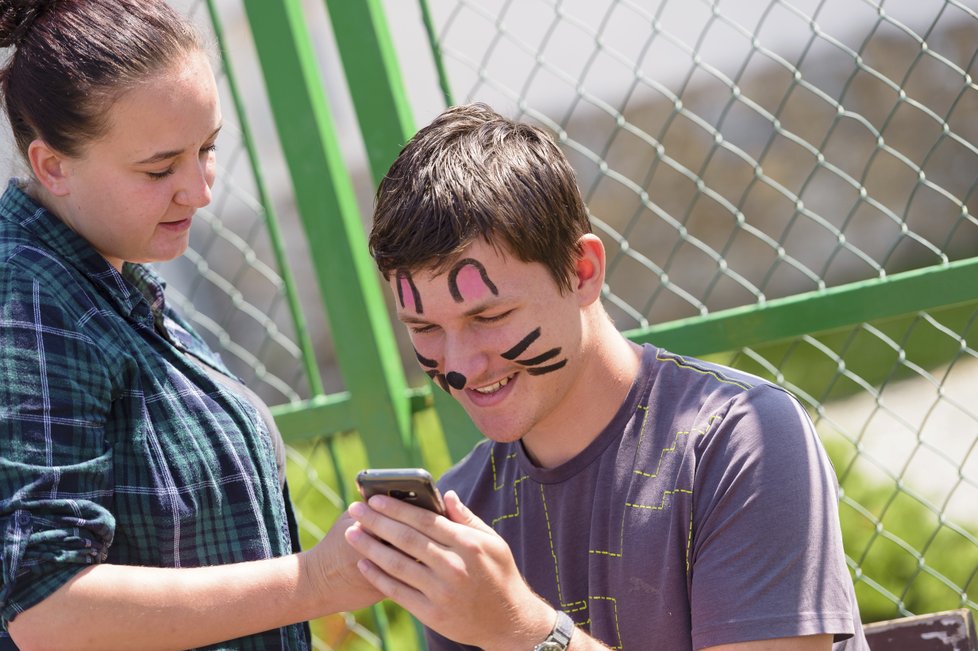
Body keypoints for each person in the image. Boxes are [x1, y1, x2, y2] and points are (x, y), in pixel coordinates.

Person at [345, 102, 870, 650]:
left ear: (582, 271)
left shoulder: (742, 440)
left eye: (489, 316)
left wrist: (528, 633)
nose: (458, 365)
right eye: (424, 327)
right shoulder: (463, 509)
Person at [0, 1, 379, 649]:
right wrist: (316, 580)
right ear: (52, 165)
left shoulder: (107, 278)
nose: (200, 190)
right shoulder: (29, 299)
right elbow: (46, 606)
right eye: (158, 168)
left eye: (206, 148)